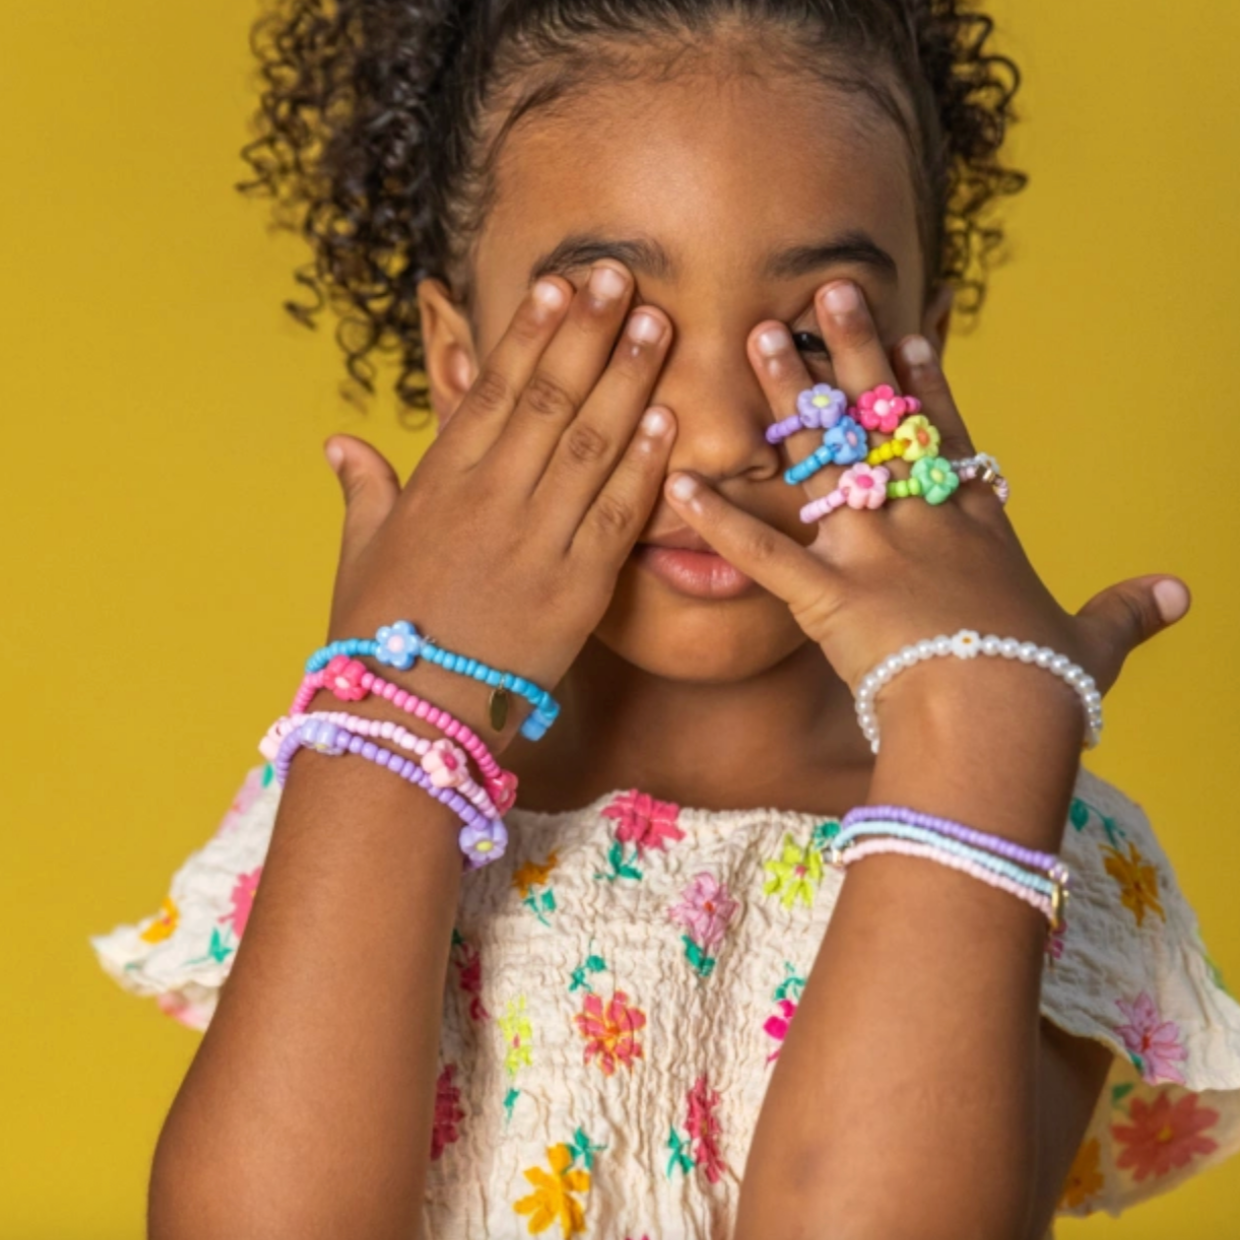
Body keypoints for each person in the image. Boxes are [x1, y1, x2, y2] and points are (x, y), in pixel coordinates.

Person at [91, 2, 1240, 1237]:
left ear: (916, 365)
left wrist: (976, 749)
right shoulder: (366, 772)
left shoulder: (1029, 825)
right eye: (618, 328)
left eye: (810, 336)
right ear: (460, 362)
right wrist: (399, 719)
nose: (722, 436)